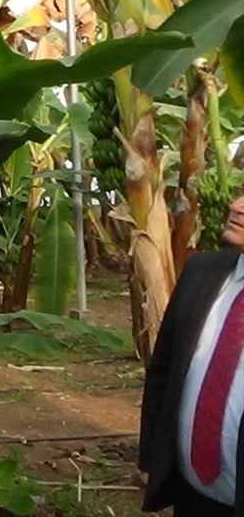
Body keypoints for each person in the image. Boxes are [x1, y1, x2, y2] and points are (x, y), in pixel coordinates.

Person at [140, 190, 244, 516]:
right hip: (191, 494)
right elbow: (163, 370)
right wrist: (150, 456)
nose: (237, 206)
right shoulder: (202, 272)